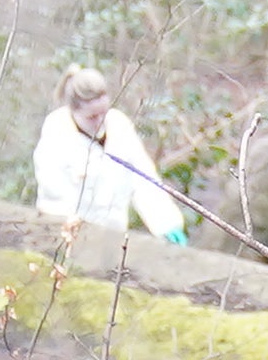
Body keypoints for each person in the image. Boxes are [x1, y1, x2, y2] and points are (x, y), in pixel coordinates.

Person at [32, 66, 195, 242]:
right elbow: (56, 199)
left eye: (104, 113)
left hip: (113, 238)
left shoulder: (119, 125)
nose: (100, 122)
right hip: (69, 237)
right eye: (92, 117)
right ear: (73, 111)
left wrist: (167, 224)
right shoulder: (57, 134)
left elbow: (143, 178)